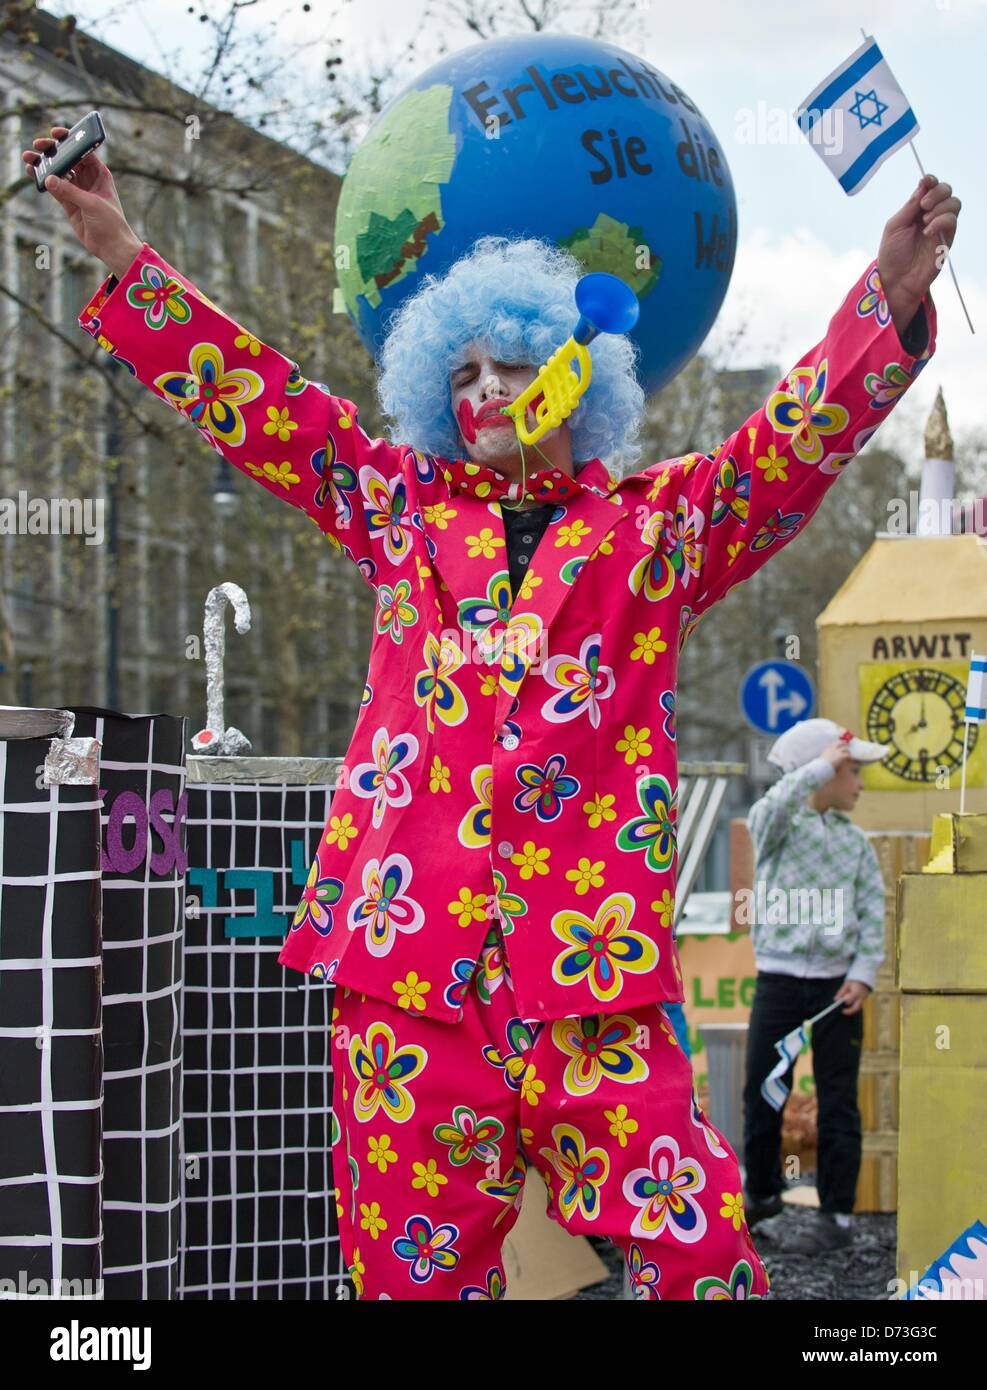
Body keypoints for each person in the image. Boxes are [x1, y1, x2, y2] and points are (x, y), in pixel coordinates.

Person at [26, 123, 957, 1300]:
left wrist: (884, 299)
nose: (482, 394)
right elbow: (262, 406)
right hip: (412, 974)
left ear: (571, 372)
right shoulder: (396, 508)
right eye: (458, 376)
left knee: (702, 1258)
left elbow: (788, 451)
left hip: (593, 977)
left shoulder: (654, 529)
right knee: (412, 1278)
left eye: (507, 367)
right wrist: (121, 255)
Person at [742, 720, 890, 1254]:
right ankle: (761, 1193)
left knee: (838, 1099)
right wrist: (821, 764)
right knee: (762, 1088)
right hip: (779, 980)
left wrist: (863, 973)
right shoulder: (779, 827)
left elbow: (873, 911)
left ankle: (837, 1213)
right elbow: (766, 809)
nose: (860, 784)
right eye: (852, 770)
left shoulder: (855, 843)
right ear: (819, 771)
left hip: (836, 990)